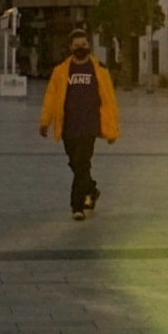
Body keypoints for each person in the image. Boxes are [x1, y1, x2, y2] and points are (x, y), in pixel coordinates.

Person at [40, 28, 120, 221]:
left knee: (82, 162)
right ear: (70, 48)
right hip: (68, 127)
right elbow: (51, 97)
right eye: (77, 46)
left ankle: (77, 206)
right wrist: (45, 122)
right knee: (76, 163)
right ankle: (91, 190)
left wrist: (112, 130)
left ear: (89, 46)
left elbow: (109, 100)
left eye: (84, 45)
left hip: (89, 127)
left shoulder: (99, 70)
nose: (81, 48)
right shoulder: (61, 71)